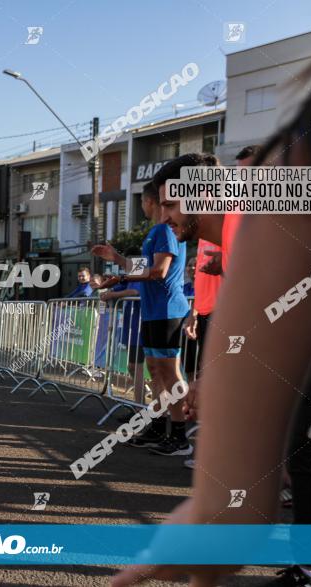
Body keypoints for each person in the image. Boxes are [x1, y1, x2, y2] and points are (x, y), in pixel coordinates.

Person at [116, 18, 311, 582]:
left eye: (168, 206)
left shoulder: (250, 211)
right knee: (301, 432)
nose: (163, 219)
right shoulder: (244, 223)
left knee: (307, 432)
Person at [92, 181, 191, 457]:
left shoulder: (164, 230)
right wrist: (117, 259)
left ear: (149, 203)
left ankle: (180, 436)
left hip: (168, 311)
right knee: (156, 370)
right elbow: (145, 268)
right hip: (153, 311)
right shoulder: (155, 233)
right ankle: (159, 426)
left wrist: (121, 276)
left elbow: (159, 271)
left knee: (170, 372)